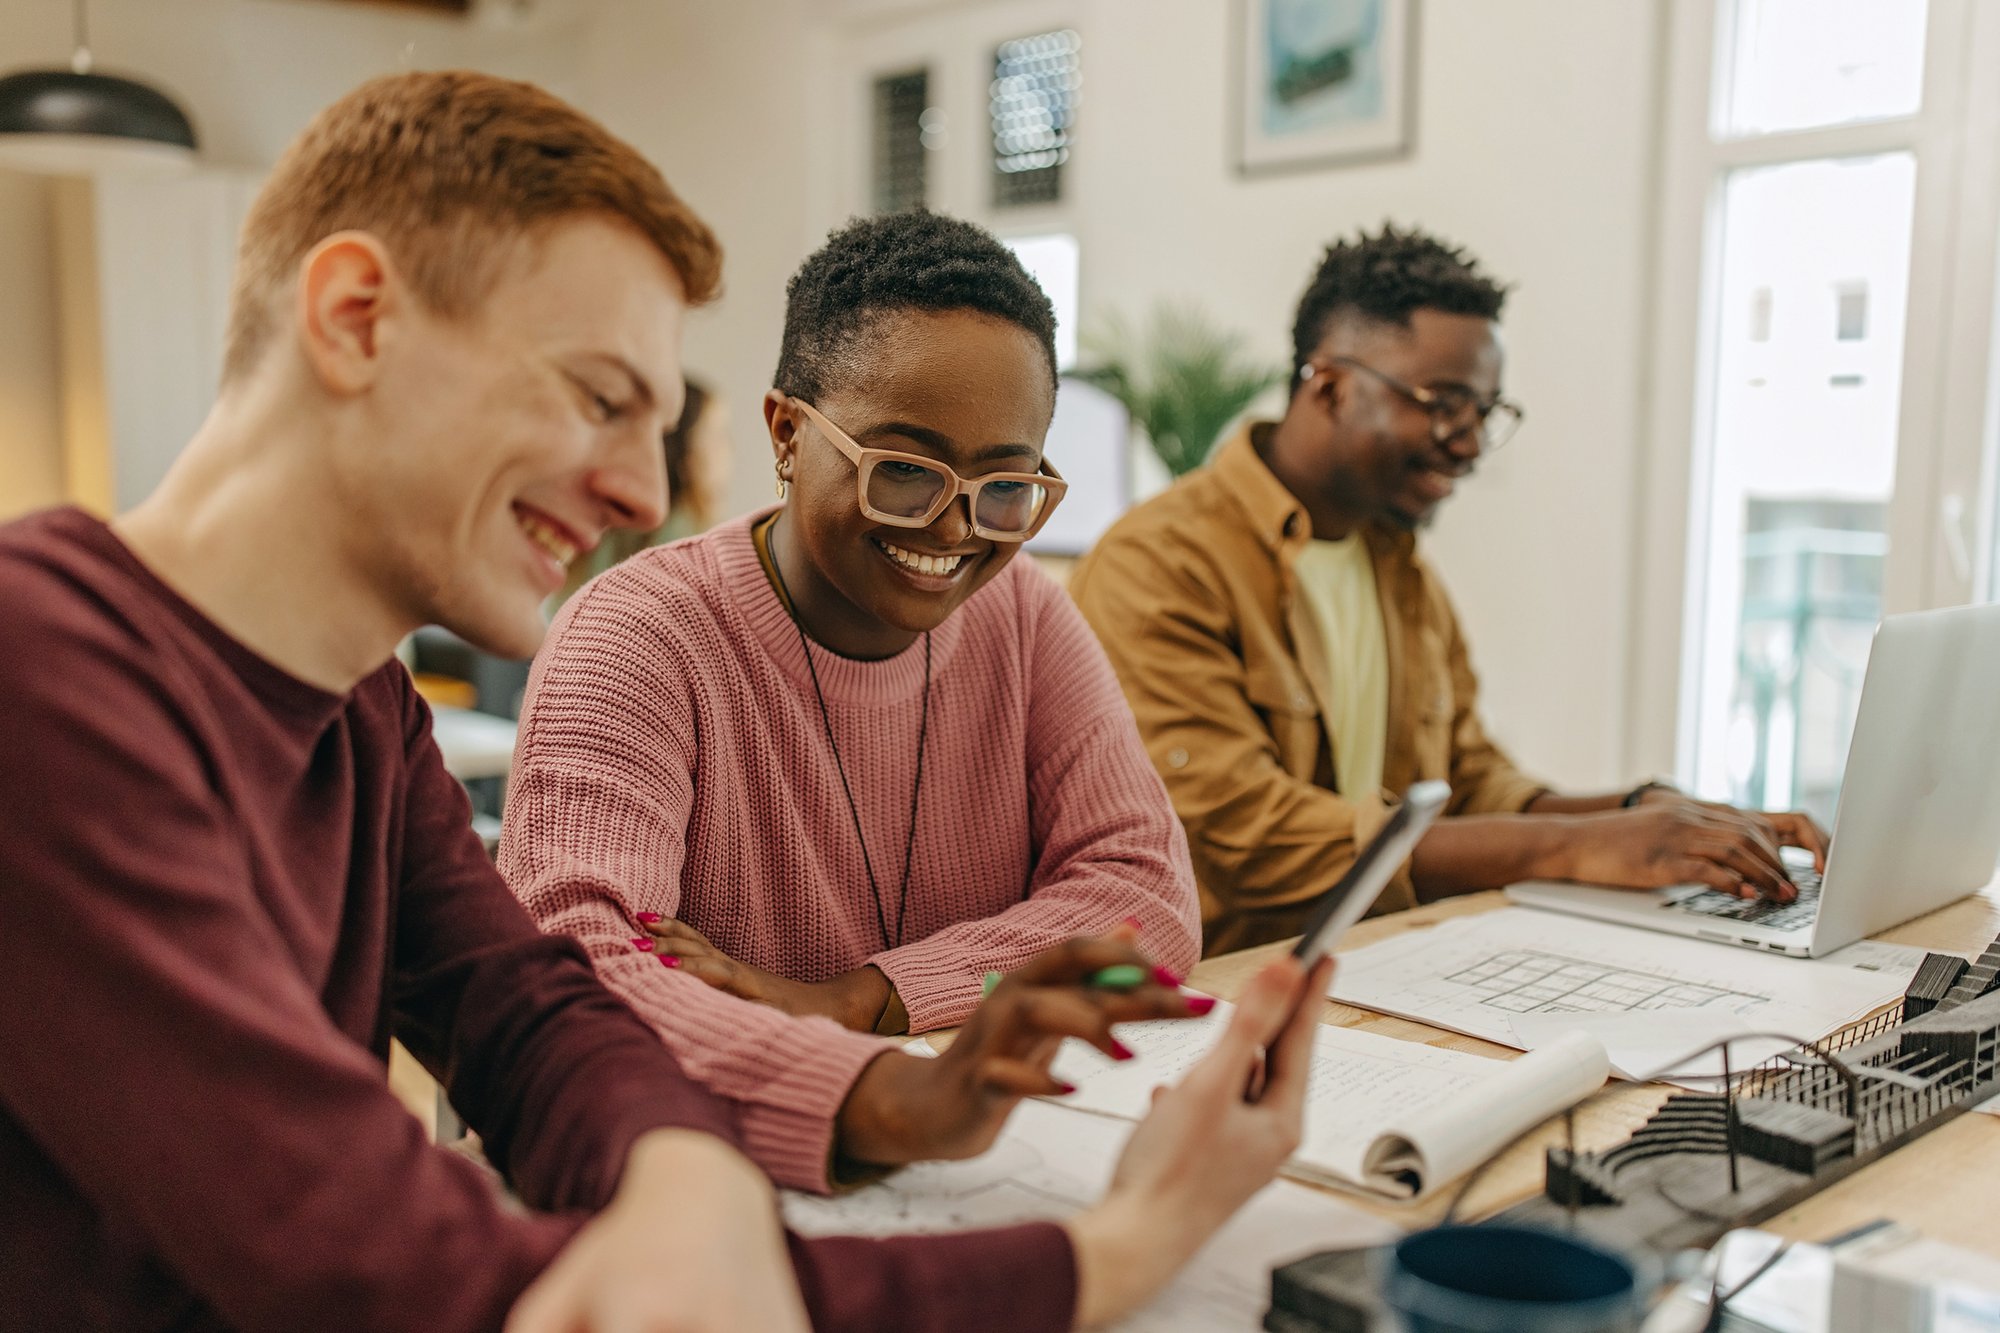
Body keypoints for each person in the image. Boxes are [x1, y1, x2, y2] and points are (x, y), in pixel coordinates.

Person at [0, 70, 1329, 1332]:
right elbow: (407, 1272)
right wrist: (1107, 1256)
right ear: (357, 317)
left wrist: (782, 1129)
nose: (644, 494)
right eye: (598, 398)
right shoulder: (37, 674)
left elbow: (535, 1018)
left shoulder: (363, 712)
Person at [500, 210, 1204, 1194]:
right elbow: (576, 965)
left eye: (1004, 484)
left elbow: (1145, 898)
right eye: (903, 472)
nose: (954, 527)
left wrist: (844, 1001)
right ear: (787, 433)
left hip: (983, 1158)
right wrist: (884, 1087)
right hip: (708, 1176)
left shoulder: (1026, 616)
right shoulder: (638, 635)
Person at [1070, 224, 1828, 956]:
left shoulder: (1398, 566)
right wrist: (1584, 844)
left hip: (1384, 961)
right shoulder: (1160, 563)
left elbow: (1467, 778)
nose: (1468, 443)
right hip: (1222, 993)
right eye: (1443, 404)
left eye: (1485, 413)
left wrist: (1647, 812)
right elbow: (1255, 839)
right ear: (1330, 386)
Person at [556, 376, 730, 602]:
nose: (728, 452)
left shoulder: (611, 531)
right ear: (687, 452)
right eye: (718, 437)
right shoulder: (686, 549)